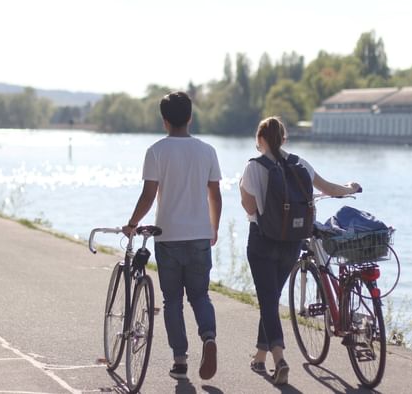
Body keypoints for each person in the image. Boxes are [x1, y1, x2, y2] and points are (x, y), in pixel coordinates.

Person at [239, 116, 360, 385]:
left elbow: (249, 209)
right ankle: (260, 357)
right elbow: (328, 188)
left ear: (260, 140)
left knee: (268, 301)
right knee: (270, 299)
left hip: (262, 241)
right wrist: (351, 188)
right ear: (284, 138)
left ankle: (279, 359)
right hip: (292, 242)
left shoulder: (253, 167)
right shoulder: (300, 164)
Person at [123, 91, 222, 381]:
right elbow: (215, 195)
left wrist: (132, 222)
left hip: (167, 237)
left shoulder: (156, 151)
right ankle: (209, 337)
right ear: (190, 117)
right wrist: (213, 228)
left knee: (172, 301)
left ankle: (180, 361)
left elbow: (149, 195)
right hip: (200, 236)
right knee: (200, 295)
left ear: (164, 121)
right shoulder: (207, 151)